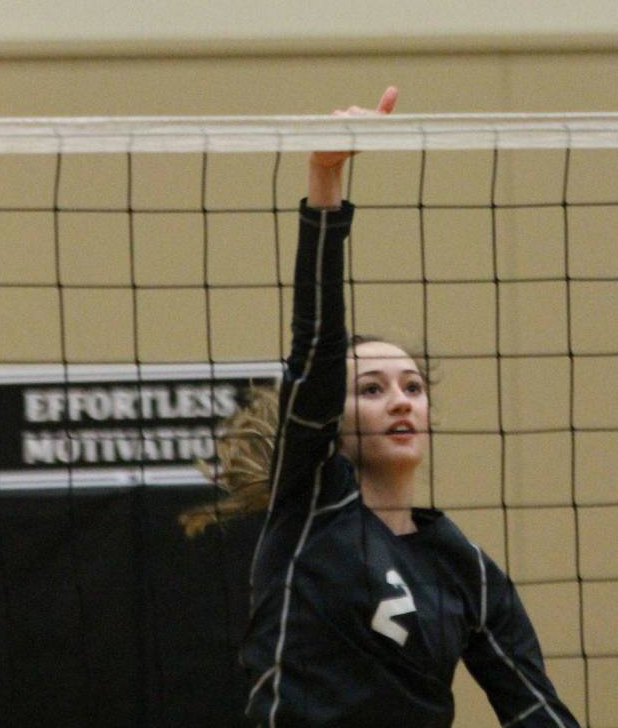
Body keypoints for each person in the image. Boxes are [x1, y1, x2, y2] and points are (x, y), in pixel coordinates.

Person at [184, 87, 581, 728]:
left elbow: (535, 708)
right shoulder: (314, 504)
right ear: (330, 424)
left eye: (412, 387)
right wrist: (325, 176)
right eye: (371, 390)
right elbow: (315, 346)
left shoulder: (465, 569)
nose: (400, 400)